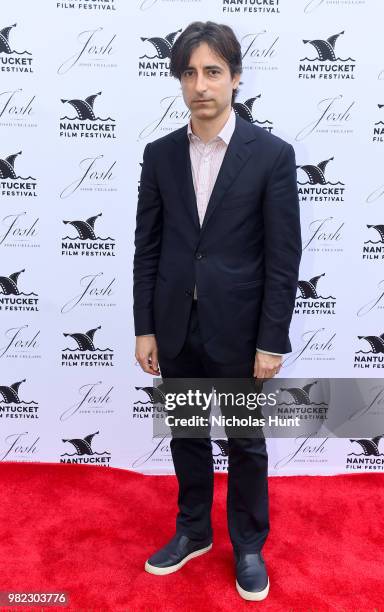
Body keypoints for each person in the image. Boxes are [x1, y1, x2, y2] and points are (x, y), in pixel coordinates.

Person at [133, 21, 302, 602]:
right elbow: (147, 247)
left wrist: (271, 339)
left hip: (241, 329)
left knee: (247, 441)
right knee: (185, 433)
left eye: (212, 72)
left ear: (234, 78)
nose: (200, 85)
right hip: (175, 324)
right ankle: (193, 530)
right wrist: (145, 327)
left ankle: (249, 544)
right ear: (179, 81)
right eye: (188, 73)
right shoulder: (158, 155)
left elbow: (284, 257)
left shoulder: (272, 156)